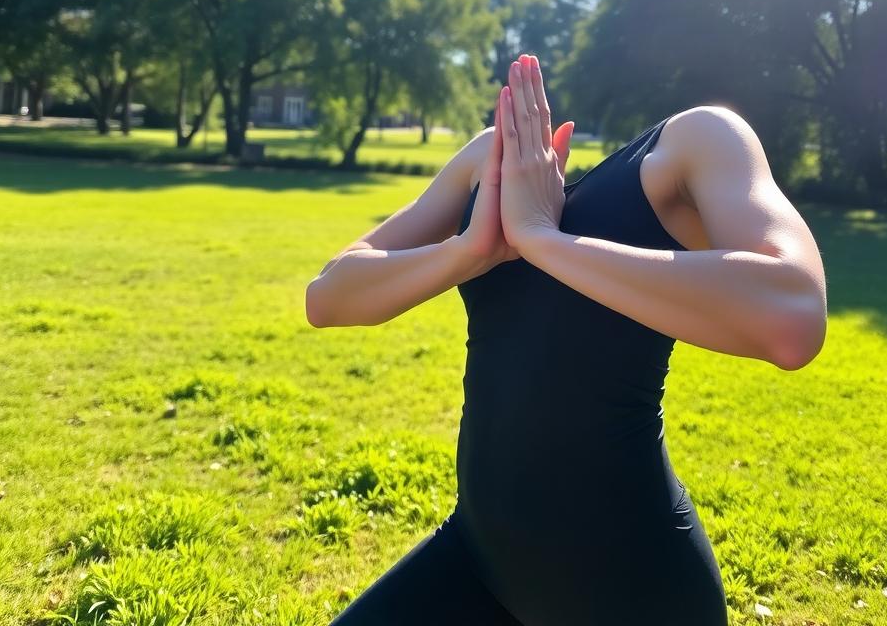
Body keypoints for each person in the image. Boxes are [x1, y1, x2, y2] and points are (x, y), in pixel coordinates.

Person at [306, 53, 827, 626]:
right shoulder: (492, 159)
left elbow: (794, 315)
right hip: (479, 562)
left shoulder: (698, 140)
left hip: (633, 586)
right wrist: (467, 252)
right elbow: (328, 296)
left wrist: (540, 239)